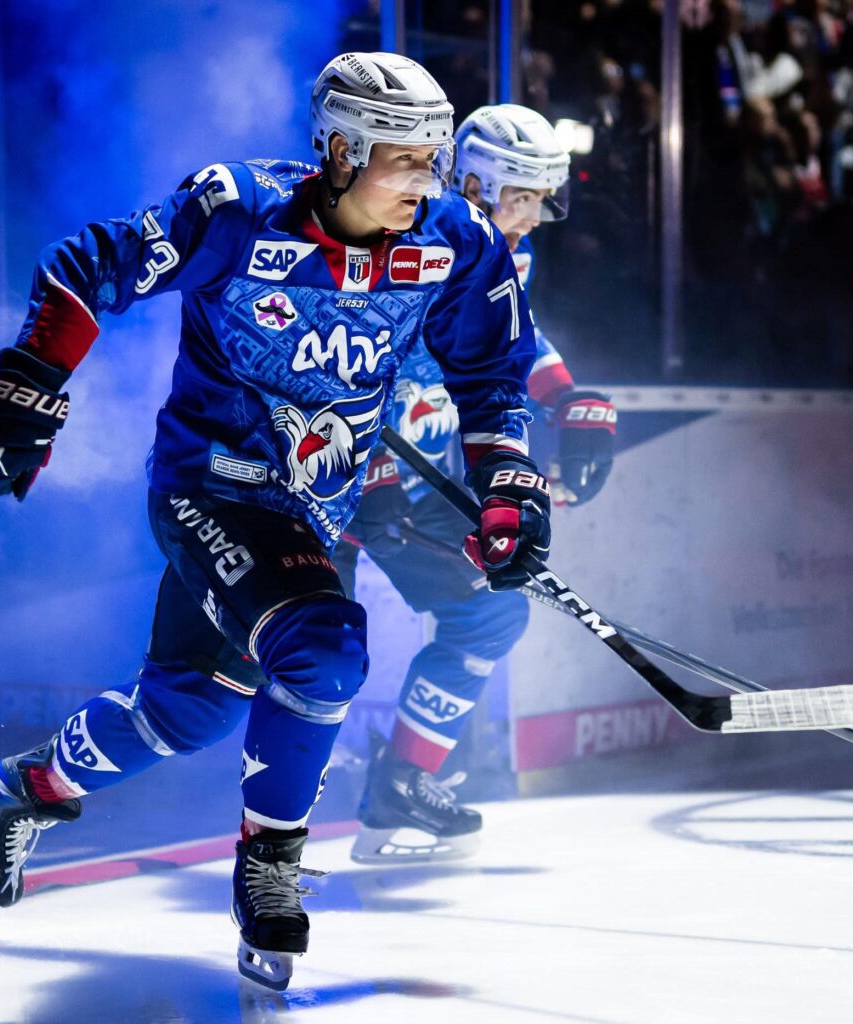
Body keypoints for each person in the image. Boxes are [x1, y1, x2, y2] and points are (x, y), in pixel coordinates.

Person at [0, 52, 551, 991]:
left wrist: (511, 486)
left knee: (192, 708)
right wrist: (29, 378)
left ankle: (14, 792)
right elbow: (92, 265)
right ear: (340, 150)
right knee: (326, 650)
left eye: (435, 160)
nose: (428, 183)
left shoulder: (459, 240)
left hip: (314, 511)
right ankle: (269, 871)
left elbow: (492, 376)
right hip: (211, 490)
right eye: (406, 161)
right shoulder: (237, 209)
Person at [336, 104, 617, 864]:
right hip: (328, 472)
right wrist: (372, 465)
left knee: (489, 614)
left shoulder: (508, 252)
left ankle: (400, 783)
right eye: (521, 197)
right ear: (473, 183)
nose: (532, 218)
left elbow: (513, 339)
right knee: (298, 657)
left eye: (542, 200)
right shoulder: (404, 238)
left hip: (416, 471)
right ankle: (257, 829)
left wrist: (568, 398)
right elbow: (344, 350)